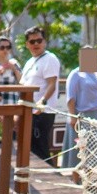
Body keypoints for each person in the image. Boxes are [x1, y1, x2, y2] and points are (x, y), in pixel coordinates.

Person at [61, 64, 97, 175]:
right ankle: (75, 177)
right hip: (81, 115)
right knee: (79, 148)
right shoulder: (75, 74)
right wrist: (72, 116)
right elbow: (70, 97)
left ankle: (89, 178)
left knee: (94, 148)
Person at [21, 26, 61, 164]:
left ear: (44, 42)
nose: (36, 44)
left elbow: (52, 83)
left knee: (41, 149)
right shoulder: (29, 62)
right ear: (27, 45)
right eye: (32, 42)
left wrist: (42, 102)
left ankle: (51, 178)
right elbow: (23, 85)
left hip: (42, 111)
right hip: (29, 110)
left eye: (39, 40)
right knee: (30, 147)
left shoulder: (49, 59)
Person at [0, 35, 22, 105]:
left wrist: (14, 69)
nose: (5, 50)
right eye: (2, 47)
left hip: (12, 102)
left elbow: (22, 82)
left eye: (8, 47)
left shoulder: (14, 63)